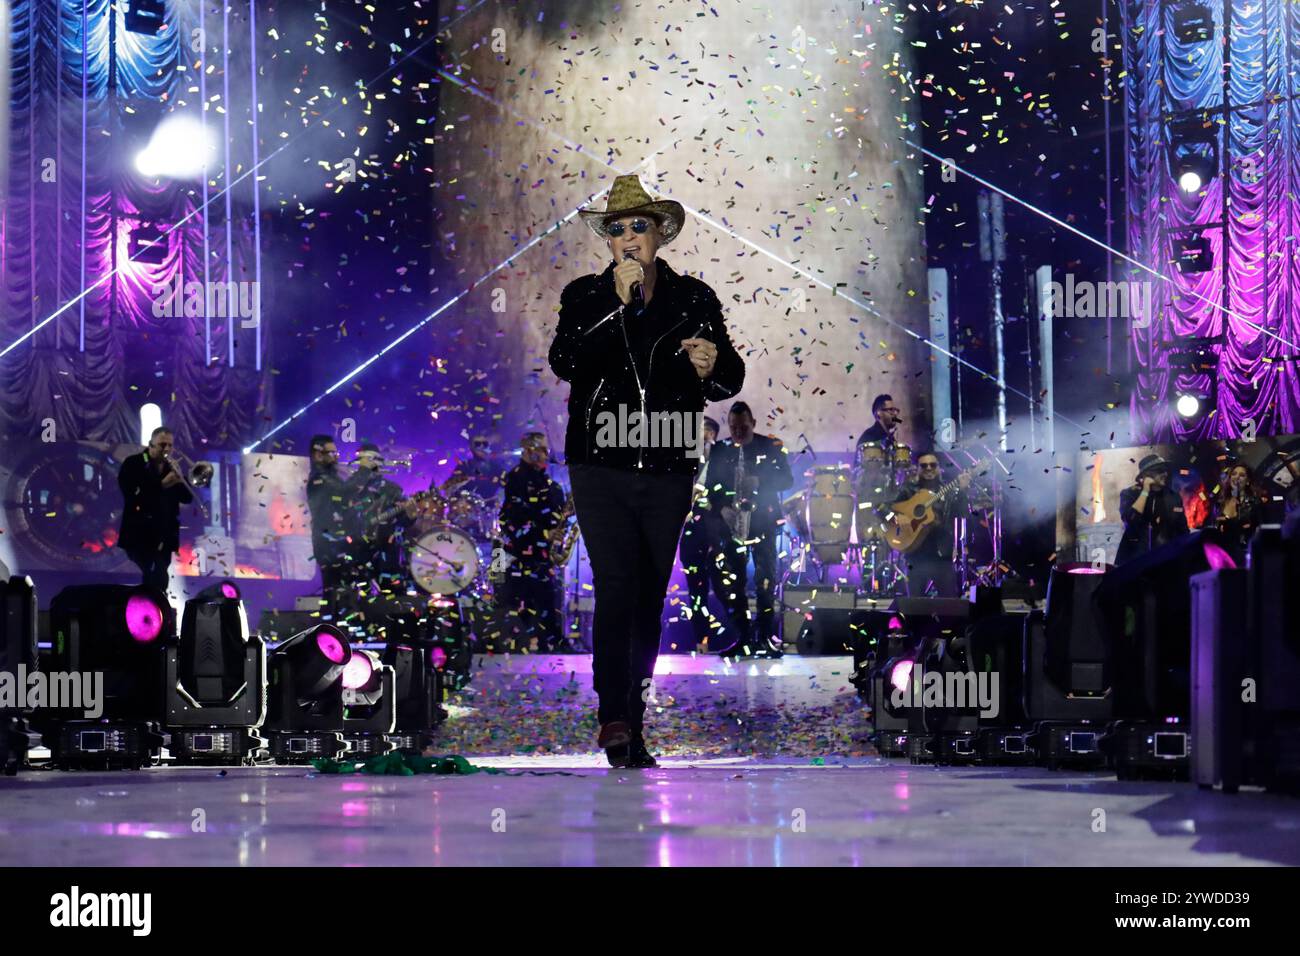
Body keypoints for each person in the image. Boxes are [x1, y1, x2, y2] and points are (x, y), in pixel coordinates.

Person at [548, 174, 744, 768]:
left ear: (660, 234)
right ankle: (614, 716)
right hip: (600, 461)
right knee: (615, 588)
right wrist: (615, 302)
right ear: (607, 242)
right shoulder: (585, 296)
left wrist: (713, 365)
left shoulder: (693, 298)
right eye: (617, 229)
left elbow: (730, 377)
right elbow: (566, 361)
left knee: (649, 597)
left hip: (667, 463)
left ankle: (633, 722)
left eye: (639, 226)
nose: (628, 237)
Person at [705, 402, 794, 657]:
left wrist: (760, 480)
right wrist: (722, 509)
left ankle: (765, 637)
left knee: (766, 581)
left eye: (743, 427)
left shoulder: (770, 446)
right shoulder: (721, 450)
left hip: (764, 523)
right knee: (735, 584)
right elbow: (710, 486)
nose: (738, 432)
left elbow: (787, 479)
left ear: (753, 423)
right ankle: (743, 638)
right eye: (733, 428)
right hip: (732, 525)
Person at [497, 432, 568, 652]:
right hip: (521, 552)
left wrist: (560, 528)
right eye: (540, 449)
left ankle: (552, 640)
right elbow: (516, 518)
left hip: (543, 553)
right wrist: (544, 534)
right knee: (524, 598)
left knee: (548, 596)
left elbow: (554, 514)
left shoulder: (550, 484)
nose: (545, 454)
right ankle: (526, 642)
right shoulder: (516, 478)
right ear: (527, 450)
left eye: (546, 449)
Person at [116, 426, 193, 592]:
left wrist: (181, 481)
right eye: (162, 445)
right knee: (152, 575)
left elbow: (188, 498)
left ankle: (158, 609)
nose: (166, 449)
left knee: (160, 575)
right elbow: (132, 495)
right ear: (151, 444)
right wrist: (162, 484)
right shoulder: (133, 463)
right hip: (139, 533)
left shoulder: (171, 468)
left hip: (165, 534)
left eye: (170, 445)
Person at [679, 416, 730, 651]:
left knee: (724, 588)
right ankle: (702, 641)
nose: (704, 434)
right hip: (691, 535)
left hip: (717, 536)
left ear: (715, 436)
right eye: (700, 431)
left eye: (708, 431)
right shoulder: (685, 464)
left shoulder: (721, 463)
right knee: (696, 591)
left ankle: (735, 637)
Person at [891, 450, 969, 596]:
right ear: (918, 468)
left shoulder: (949, 491)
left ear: (939, 468)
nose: (928, 469)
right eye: (924, 465)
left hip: (941, 555)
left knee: (949, 605)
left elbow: (963, 513)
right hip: (915, 555)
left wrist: (963, 491)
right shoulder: (908, 490)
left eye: (933, 465)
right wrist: (896, 518)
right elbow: (885, 511)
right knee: (915, 608)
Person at [344, 443, 420, 588]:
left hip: (386, 551)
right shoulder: (350, 487)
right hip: (357, 550)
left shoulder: (392, 489)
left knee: (390, 591)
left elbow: (403, 522)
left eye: (369, 461)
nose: (365, 466)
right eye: (363, 462)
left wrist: (412, 515)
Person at [305, 434, 354, 619]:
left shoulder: (332, 477)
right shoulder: (319, 479)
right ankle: (328, 633)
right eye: (331, 453)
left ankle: (339, 630)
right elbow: (343, 493)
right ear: (318, 455)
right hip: (327, 542)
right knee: (332, 590)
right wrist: (361, 474)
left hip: (338, 541)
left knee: (342, 590)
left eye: (336, 452)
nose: (336, 456)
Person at [1116, 453, 1189, 565]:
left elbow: (1183, 531)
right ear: (1146, 475)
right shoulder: (1130, 494)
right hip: (1134, 561)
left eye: (1165, 470)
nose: (1165, 474)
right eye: (1160, 470)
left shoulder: (1173, 497)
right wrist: (1145, 490)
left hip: (1165, 561)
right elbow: (1131, 520)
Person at [1214, 462, 1266, 564]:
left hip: (1244, 553)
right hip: (1221, 553)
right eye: (1234, 474)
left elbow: (1259, 529)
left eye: (1242, 475)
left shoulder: (1255, 502)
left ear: (1248, 481)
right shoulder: (1220, 502)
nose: (1237, 477)